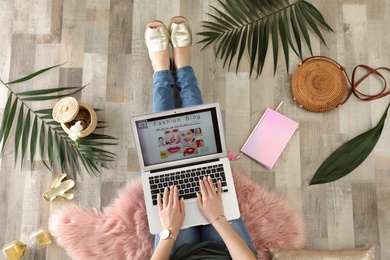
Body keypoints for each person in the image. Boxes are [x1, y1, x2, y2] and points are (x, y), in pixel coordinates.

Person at [145, 16, 256, 260]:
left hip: (178, 252)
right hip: (227, 253)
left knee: (165, 160)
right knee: (202, 157)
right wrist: (216, 217)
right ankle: (183, 68)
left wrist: (170, 231)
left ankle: (162, 74)